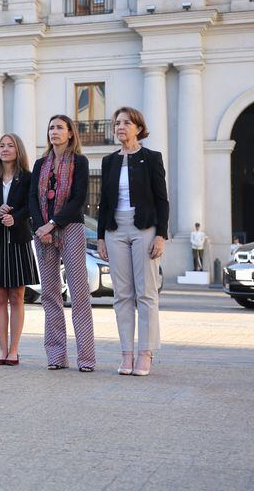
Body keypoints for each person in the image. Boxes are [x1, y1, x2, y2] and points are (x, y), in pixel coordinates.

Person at [97, 106, 169, 377]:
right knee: (122, 294)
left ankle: (145, 353)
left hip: (145, 229)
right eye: (117, 123)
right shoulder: (109, 161)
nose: (120, 127)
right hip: (116, 228)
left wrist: (161, 234)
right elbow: (104, 203)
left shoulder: (151, 158)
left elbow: (162, 199)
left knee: (146, 293)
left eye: (126, 123)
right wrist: (102, 236)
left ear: (138, 128)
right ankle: (126, 354)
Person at [29, 115, 95, 372]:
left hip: (71, 229)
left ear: (70, 133)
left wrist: (53, 223)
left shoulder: (80, 161)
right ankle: (56, 355)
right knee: (49, 294)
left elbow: (79, 199)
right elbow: (33, 198)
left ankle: (86, 358)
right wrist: (39, 227)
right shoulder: (40, 164)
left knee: (79, 294)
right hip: (42, 233)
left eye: (59, 127)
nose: (54, 131)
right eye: (51, 128)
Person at [0, 133, 39, 366]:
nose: (5, 149)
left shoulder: (28, 178)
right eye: (1, 145)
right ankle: (2, 350)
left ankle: (14, 350)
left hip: (18, 240)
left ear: (18, 150)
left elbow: (32, 206)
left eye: (10, 145)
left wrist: (15, 217)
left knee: (17, 296)